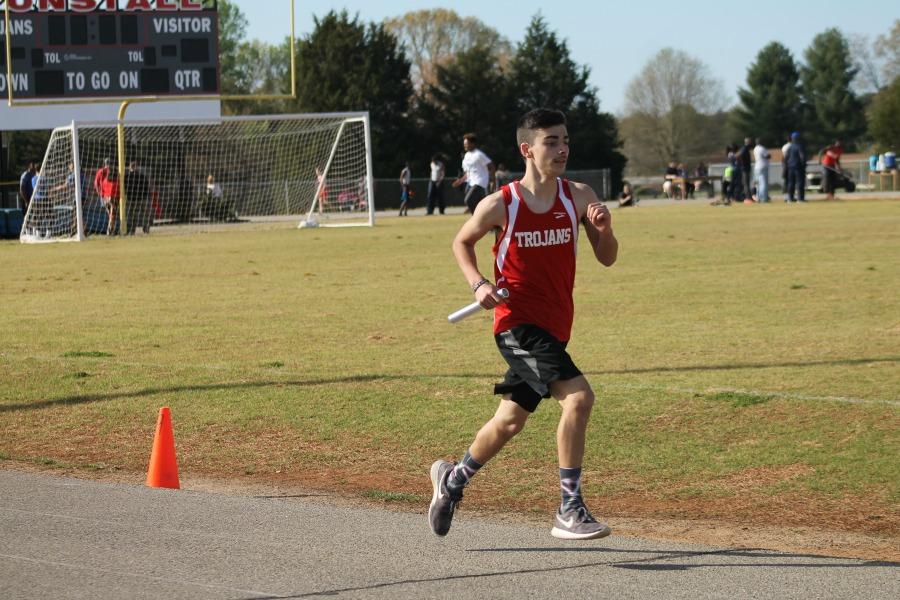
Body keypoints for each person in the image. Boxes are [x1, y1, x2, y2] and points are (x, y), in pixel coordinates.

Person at [428, 108, 618, 541]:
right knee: (579, 399)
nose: (562, 148)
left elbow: (606, 257)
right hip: (516, 326)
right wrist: (478, 283)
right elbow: (461, 241)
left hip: (555, 327)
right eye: (551, 141)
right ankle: (570, 507)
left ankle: (452, 480)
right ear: (527, 149)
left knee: (509, 421)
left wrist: (604, 231)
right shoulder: (501, 204)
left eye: (565, 139)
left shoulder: (580, 196)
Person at [451, 133, 495, 214]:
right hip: (471, 182)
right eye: (464, 144)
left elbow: (491, 166)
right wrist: (460, 181)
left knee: (468, 200)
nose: (465, 146)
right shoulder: (467, 155)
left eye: (466, 144)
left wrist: (493, 182)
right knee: (480, 204)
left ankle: (476, 219)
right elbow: (468, 172)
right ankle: (484, 220)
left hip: (480, 182)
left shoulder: (479, 154)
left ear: (473, 144)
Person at [124, 161, 152, 234]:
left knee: (133, 215)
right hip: (142, 198)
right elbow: (147, 187)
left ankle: (132, 231)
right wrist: (147, 196)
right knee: (145, 214)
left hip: (132, 199)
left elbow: (125, 188)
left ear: (130, 167)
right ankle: (146, 229)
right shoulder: (142, 176)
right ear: (136, 167)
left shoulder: (126, 177)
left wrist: (127, 195)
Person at [94, 158, 119, 235]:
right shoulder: (113, 171)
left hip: (104, 195)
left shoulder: (100, 171)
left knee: (111, 212)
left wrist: (99, 193)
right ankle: (110, 228)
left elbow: (96, 183)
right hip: (111, 194)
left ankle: (111, 228)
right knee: (112, 212)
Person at [784, 132, 806, 203]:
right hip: (798, 167)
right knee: (799, 182)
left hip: (790, 167)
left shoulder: (790, 147)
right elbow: (802, 156)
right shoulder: (799, 146)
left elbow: (786, 158)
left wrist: (786, 166)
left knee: (791, 183)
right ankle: (800, 199)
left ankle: (790, 198)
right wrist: (804, 164)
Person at [737, 138, 753, 203]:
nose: (751, 143)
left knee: (746, 183)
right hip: (745, 169)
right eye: (750, 142)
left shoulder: (745, 148)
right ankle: (748, 197)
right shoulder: (745, 148)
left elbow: (738, 155)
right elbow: (739, 156)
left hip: (746, 168)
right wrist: (742, 163)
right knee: (746, 184)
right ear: (747, 142)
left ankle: (748, 197)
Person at [781, 135, 792, 201]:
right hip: (790, 164)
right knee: (791, 181)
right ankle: (790, 196)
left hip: (785, 164)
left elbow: (783, 157)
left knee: (786, 181)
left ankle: (786, 197)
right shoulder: (792, 146)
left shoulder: (784, 146)